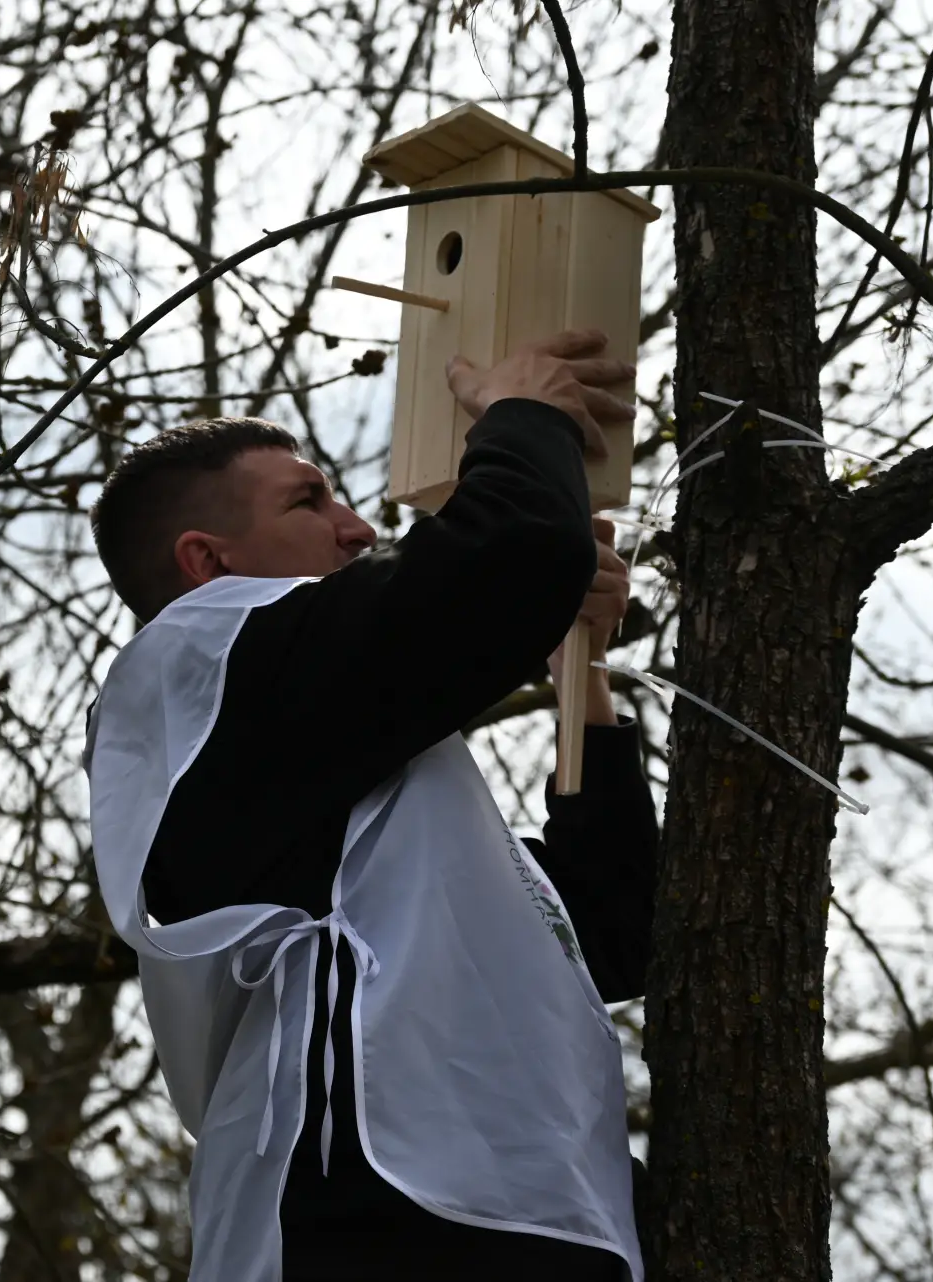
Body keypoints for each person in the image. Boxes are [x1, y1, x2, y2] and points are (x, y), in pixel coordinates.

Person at [83, 330, 658, 1282]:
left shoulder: (339, 758)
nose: (355, 528)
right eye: (309, 500)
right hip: (373, 1213)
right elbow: (502, 561)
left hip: (523, 1211)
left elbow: (609, 925)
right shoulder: (201, 668)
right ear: (206, 563)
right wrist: (522, 415)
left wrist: (576, 672)